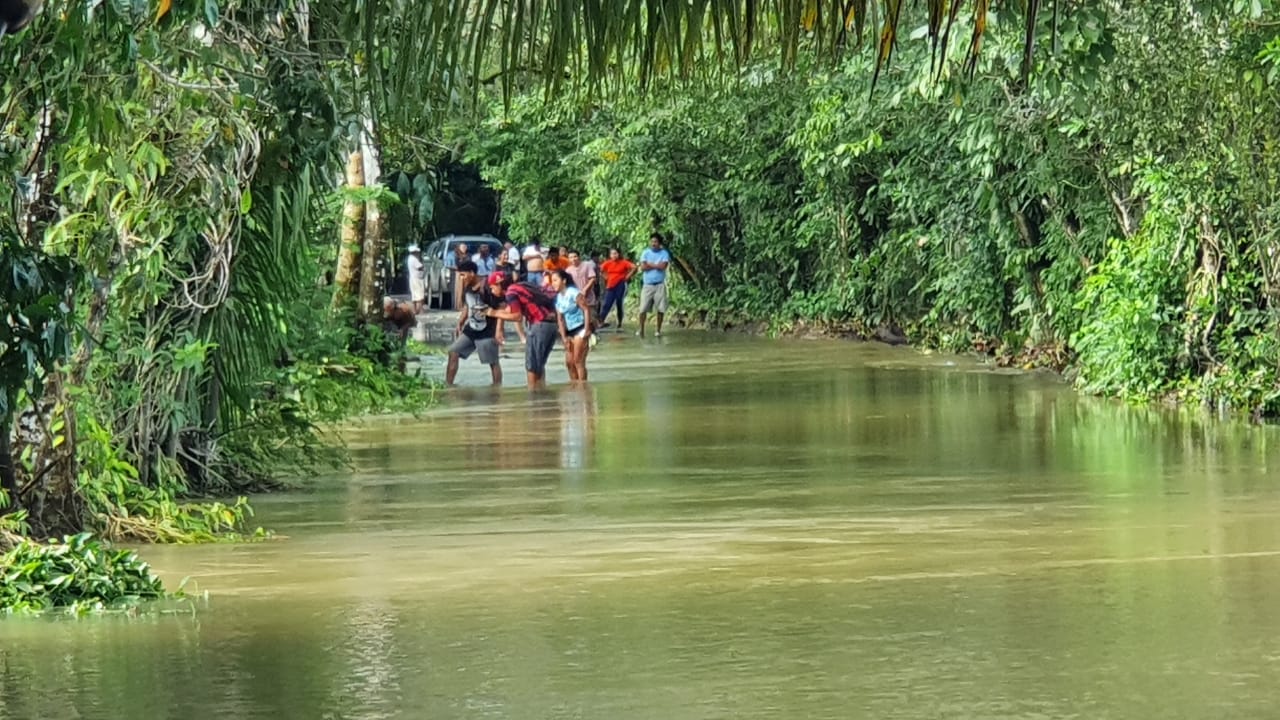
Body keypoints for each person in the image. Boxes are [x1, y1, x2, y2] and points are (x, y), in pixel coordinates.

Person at [486, 271, 560, 389]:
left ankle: (532, 394)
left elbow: (517, 316)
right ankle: (542, 393)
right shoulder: (521, 286)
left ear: (499, 284)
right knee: (539, 363)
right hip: (551, 325)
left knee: (531, 365)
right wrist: (495, 317)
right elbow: (509, 309)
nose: (492, 291)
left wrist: (493, 313)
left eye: (492, 287)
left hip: (538, 325)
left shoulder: (511, 292)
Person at [445, 260, 503, 386]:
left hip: (487, 330)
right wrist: (461, 321)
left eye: (463, 275)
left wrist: (498, 331)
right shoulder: (467, 286)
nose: (461, 278)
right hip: (471, 328)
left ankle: (497, 389)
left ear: (472, 273)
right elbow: (468, 305)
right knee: (453, 352)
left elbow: (500, 309)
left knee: (492, 362)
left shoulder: (488, 286)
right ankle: (448, 386)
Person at [550, 269, 593, 382]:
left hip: (580, 328)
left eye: (555, 280)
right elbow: (560, 318)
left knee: (578, 361)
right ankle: (574, 385)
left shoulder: (573, 293)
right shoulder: (558, 297)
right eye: (552, 281)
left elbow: (586, 309)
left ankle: (583, 388)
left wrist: (587, 330)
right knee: (569, 363)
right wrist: (563, 337)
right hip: (569, 332)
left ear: (564, 281)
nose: (553, 283)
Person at [637, 233, 671, 338]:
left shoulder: (664, 253)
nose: (653, 243)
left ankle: (658, 330)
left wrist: (650, 264)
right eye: (652, 241)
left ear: (659, 243)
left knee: (660, 309)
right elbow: (643, 267)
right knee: (642, 309)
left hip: (659, 285)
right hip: (647, 285)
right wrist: (656, 265)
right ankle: (641, 329)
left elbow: (663, 266)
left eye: (655, 242)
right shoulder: (645, 253)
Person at [598, 246, 635, 331]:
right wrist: (605, 277)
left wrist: (627, 277)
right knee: (607, 303)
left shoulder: (624, 262)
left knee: (619, 303)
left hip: (620, 284)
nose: (613, 255)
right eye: (612, 254)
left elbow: (634, 267)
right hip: (610, 285)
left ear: (619, 254)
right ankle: (601, 322)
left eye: (615, 253)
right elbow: (600, 269)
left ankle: (619, 323)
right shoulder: (608, 263)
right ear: (610, 255)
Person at [565, 249, 598, 328]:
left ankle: (593, 335)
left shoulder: (587, 265)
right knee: (580, 321)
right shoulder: (568, 270)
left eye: (575, 256)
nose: (573, 259)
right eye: (571, 257)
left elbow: (592, 278)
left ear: (579, 257)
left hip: (588, 297)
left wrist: (585, 289)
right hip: (576, 298)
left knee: (591, 319)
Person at [406, 244, 425, 314]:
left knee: (414, 295)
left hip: (413, 278)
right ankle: (420, 309)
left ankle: (414, 310)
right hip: (417, 278)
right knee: (419, 294)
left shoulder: (409, 258)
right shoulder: (414, 259)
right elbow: (420, 267)